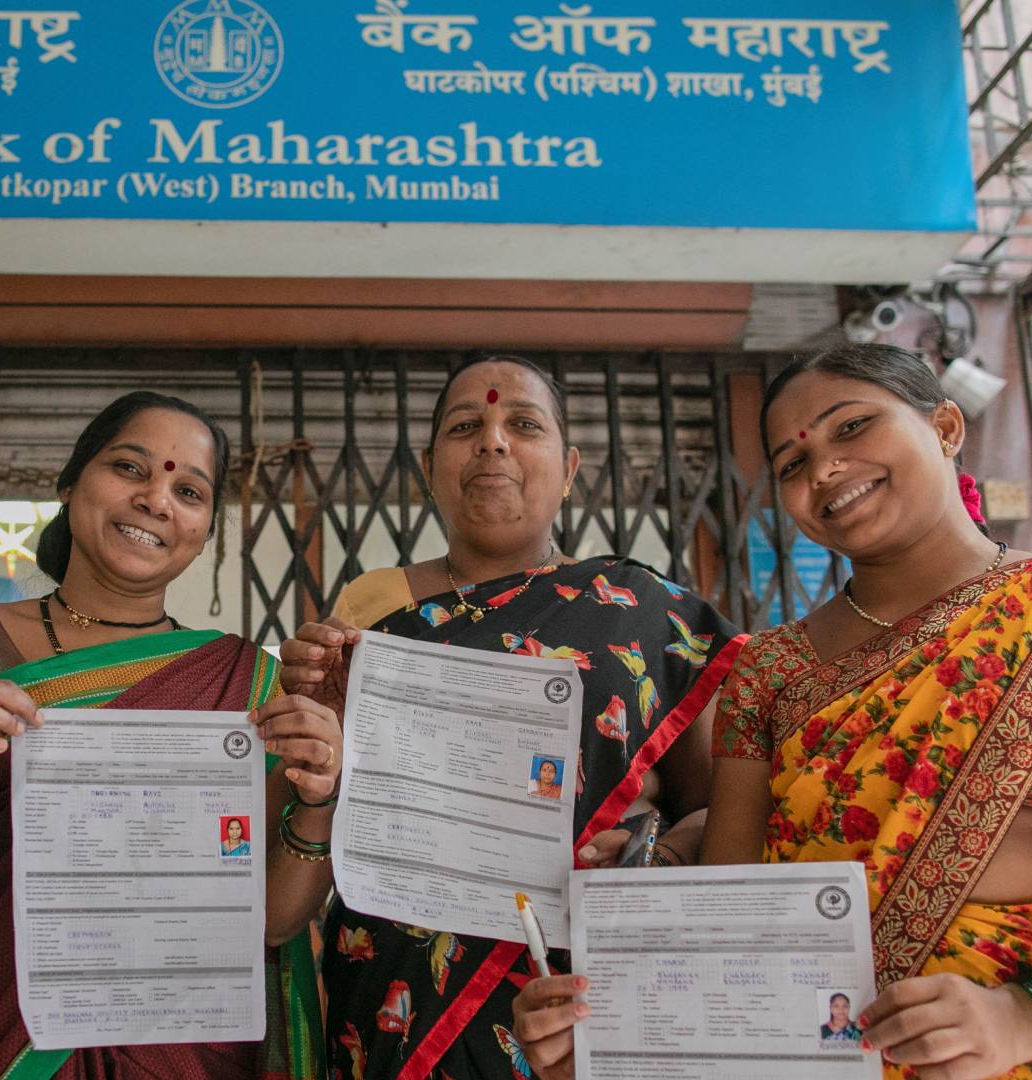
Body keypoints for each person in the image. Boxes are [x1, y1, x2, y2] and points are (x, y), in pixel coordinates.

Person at [512, 343, 1032, 1080]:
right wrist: (614, 1031)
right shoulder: (772, 672)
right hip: (838, 1055)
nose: (825, 468)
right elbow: (735, 917)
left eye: (852, 426)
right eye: (793, 462)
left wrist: (1025, 1016)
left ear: (946, 426)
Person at [0, 391, 341, 1080]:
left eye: (187, 490)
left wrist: (318, 800)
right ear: (73, 481)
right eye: (131, 469)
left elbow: (272, 923)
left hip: (180, 1051)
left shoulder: (248, 684)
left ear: (203, 528)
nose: (156, 500)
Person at [279, 355, 743, 1080]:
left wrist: (656, 849)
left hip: (572, 1005)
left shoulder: (645, 612)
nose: (492, 441)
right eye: (466, 426)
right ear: (430, 468)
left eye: (522, 424)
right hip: (387, 999)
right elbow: (330, 808)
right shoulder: (372, 608)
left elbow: (727, 811)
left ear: (568, 467)